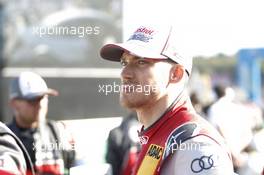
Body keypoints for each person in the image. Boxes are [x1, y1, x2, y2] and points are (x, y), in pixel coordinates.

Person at [100, 25, 236, 174]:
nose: (124, 73)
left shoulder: (196, 146)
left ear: (176, 74)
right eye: (124, 62)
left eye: (141, 62)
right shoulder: (157, 135)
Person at [7, 71, 76, 175]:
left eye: (43, 97)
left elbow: (80, 166)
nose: (40, 105)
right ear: (14, 103)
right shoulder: (5, 139)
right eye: (33, 100)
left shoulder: (61, 132)